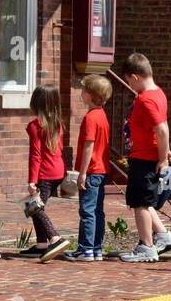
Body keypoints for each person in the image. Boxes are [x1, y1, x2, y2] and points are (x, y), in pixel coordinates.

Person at [115, 53, 171, 262]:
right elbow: (163, 128)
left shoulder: (145, 100)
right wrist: (164, 151)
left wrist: (163, 158)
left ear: (134, 77)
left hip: (144, 158)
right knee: (145, 201)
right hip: (148, 154)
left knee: (140, 203)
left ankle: (146, 246)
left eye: (128, 81)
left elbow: (161, 129)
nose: (129, 85)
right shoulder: (158, 93)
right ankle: (163, 235)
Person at [21, 84, 71, 262]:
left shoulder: (35, 125)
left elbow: (35, 155)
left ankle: (54, 238)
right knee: (35, 206)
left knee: (34, 207)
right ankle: (41, 244)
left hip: (44, 173)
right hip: (58, 171)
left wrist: (32, 181)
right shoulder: (59, 124)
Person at [65, 74, 111, 262]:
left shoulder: (90, 117)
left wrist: (82, 173)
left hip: (91, 171)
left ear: (91, 94)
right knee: (97, 210)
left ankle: (85, 249)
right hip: (102, 170)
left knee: (87, 210)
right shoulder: (102, 115)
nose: (81, 93)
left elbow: (89, 145)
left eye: (84, 90)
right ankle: (96, 248)